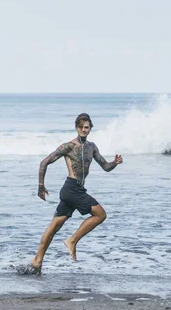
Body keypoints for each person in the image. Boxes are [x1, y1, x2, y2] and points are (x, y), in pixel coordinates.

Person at [19, 113, 123, 275]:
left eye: (86, 127)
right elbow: (44, 162)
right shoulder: (68, 146)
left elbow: (105, 167)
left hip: (74, 191)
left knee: (53, 228)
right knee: (100, 214)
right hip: (71, 189)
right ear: (76, 128)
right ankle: (72, 241)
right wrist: (40, 186)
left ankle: (37, 261)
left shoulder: (92, 147)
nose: (83, 129)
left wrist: (115, 163)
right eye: (81, 127)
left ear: (90, 129)